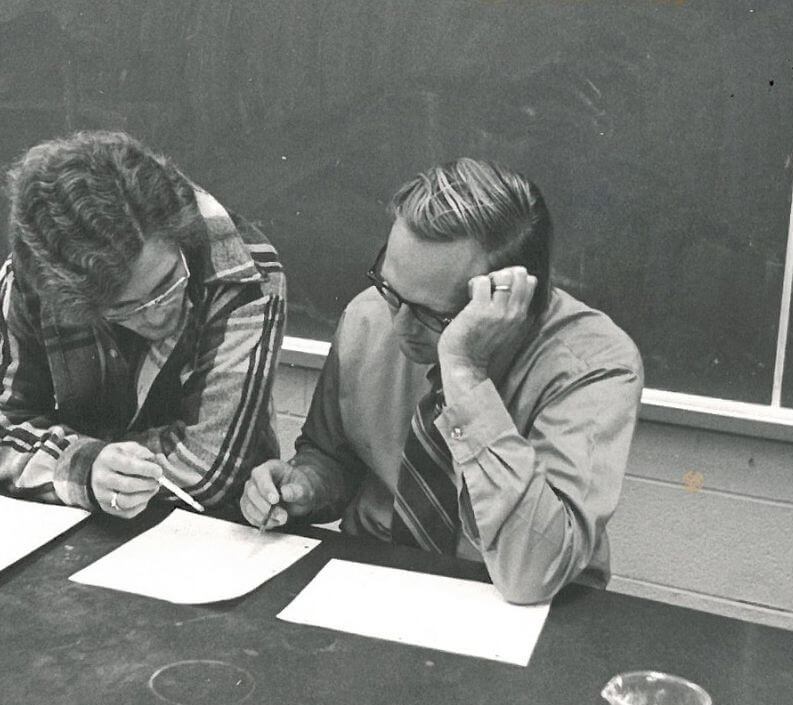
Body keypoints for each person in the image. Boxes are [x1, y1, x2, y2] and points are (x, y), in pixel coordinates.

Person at [240, 158, 642, 604]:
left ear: (510, 300)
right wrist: (304, 487)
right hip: (375, 582)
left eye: (433, 314)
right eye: (390, 290)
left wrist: (464, 371)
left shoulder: (593, 363)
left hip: (514, 606)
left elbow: (533, 573)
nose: (399, 328)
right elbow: (333, 458)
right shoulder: (369, 316)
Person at [0, 130, 285, 518]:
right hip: (77, 520)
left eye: (168, 284)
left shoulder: (247, 272)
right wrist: (86, 468)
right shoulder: (42, 275)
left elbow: (208, 467)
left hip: (212, 531)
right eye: (124, 308)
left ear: (181, 239)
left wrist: (69, 465)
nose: (156, 313)